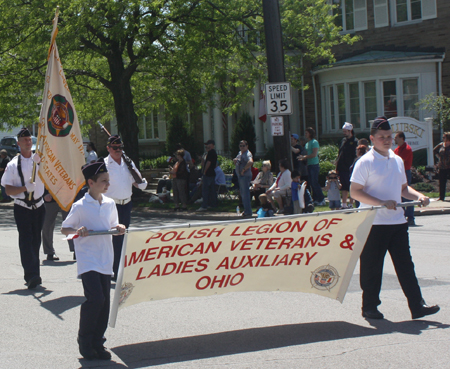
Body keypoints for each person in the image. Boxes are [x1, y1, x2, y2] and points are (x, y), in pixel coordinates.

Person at [350, 116, 440, 320]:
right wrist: (380, 202)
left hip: (397, 222)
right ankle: (370, 307)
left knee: (405, 265)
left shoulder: (397, 160)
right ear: (372, 138)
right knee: (372, 267)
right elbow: (355, 192)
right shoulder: (365, 162)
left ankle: (417, 306)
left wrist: (419, 196)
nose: (387, 140)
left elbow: (402, 189)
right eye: (382, 137)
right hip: (373, 223)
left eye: (389, 136)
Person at [61, 159, 126, 361]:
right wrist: (77, 231)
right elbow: (65, 228)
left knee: (105, 302)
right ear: (91, 182)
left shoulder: (109, 204)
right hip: (88, 259)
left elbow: (114, 226)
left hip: (105, 258)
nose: (107, 184)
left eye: (108, 180)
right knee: (95, 299)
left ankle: (98, 342)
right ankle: (85, 340)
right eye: (103, 181)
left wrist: (120, 228)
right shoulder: (81, 206)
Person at [1, 128, 45, 289]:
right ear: (18, 143)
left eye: (29, 139)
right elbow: (8, 190)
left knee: (36, 240)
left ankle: (35, 273)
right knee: (26, 241)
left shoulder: (39, 160)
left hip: (39, 206)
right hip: (22, 207)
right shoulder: (13, 165)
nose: (27, 142)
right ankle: (32, 275)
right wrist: (24, 188)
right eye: (24, 140)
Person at [104, 135, 147, 281]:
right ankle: (113, 270)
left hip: (126, 204)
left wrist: (140, 182)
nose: (118, 150)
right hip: (112, 205)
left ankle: (120, 269)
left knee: (123, 238)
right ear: (108, 148)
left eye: (120, 148)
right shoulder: (104, 164)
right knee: (114, 238)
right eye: (115, 148)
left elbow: (139, 183)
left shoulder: (128, 163)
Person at [298, 127, 325, 206]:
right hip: (309, 165)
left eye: (306, 133)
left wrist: (304, 157)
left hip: (314, 165)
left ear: (310, 133)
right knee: (311, 183)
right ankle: (316, 199)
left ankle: (321, 199)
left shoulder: (314, 142)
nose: (305, 134)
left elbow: (314, 154)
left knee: (315, 182)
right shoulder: (307, 143)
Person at [394, 131, 415, 226]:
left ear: (402, 138)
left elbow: (400, 161)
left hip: (405, 173)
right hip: (397, 173)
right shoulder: (396, 149)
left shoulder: (407, 149)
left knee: (407, 195)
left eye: (396, 137)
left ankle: (410, 217)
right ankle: (402, 216)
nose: (395, 139)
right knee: (399, 195)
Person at [42, 190, 69, 261]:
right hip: (50, 198)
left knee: (71, 224)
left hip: (67, 197)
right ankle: (49, 252)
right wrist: (44, 194)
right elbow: (41, 180)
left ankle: (76, 250)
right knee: (47, 226)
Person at [336, 122, 357, 208]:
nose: (344, 133)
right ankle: (344, 204)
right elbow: (340, 153)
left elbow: (355, 155)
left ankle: (351, 204)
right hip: (342, 167)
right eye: (343, 131)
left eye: (345, 131)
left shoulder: (355, 142)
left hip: (350, 168)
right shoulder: (343, 140)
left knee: (350, 186)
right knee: (343, 187)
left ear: (350, 131)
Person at [233, 140, 254, 218]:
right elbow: (238, 160)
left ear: (247, 146)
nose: (242, 147)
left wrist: (244, 169)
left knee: (245, 194)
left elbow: (251, 162)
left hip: (245, 176)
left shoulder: (248, 153)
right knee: (243, 194)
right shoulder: (240, 153)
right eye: (240, 146)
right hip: (240, 176)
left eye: (243, 146)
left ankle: (248, 212)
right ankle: (246, 210)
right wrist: (235, 161)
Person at [197, 139, 218, 211]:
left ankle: (204, 205)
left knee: (205, 190)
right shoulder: (212, 153)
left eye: (208, 145)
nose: (206, 147)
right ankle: (213, 204)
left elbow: (208, 163)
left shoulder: (211, 153)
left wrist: (205, 171)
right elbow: (206, 164)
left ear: (212, 145)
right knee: (212, 190)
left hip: (208, 173)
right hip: (212, 173)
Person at [433, 132, 450, 201]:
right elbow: (434, 150)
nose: (443, 139)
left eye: (444, 137)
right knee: (442, 182)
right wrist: (439, 157)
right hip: (442, 166)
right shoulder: (441, 145)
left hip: (449, 166)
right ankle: (441, 197)